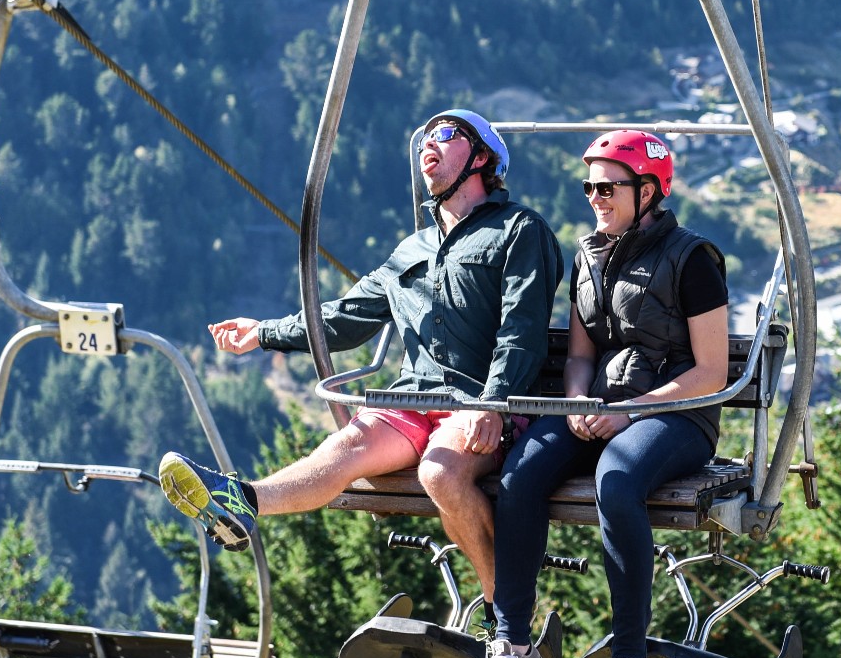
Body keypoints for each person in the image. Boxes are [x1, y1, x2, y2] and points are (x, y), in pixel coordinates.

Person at [155, 109, 561, 599]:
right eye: (424, 140)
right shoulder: (411, 250)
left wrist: (493, 404)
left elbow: (523, 328)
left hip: (476, 403)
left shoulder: (519, 231)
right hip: (413, 401)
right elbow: (343, 318)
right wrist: (264, 333)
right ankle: (241, 501)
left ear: (482, 158)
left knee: (440, 473)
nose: (428, 146)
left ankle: (507, 616)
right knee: (346, 446)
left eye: (447, 135)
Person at [468, 130, 729, 658]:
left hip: (680, 417)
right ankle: (511, 644)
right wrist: (580, 402)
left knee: (617, 482)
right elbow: (582, 353)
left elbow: (711, 372)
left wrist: (630, 411)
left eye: (608, 187)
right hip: (607, 408)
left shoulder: (693, 260)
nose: (595, 198)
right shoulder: (591, 256)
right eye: (589, 187)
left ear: (649, 190)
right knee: (521, 475)